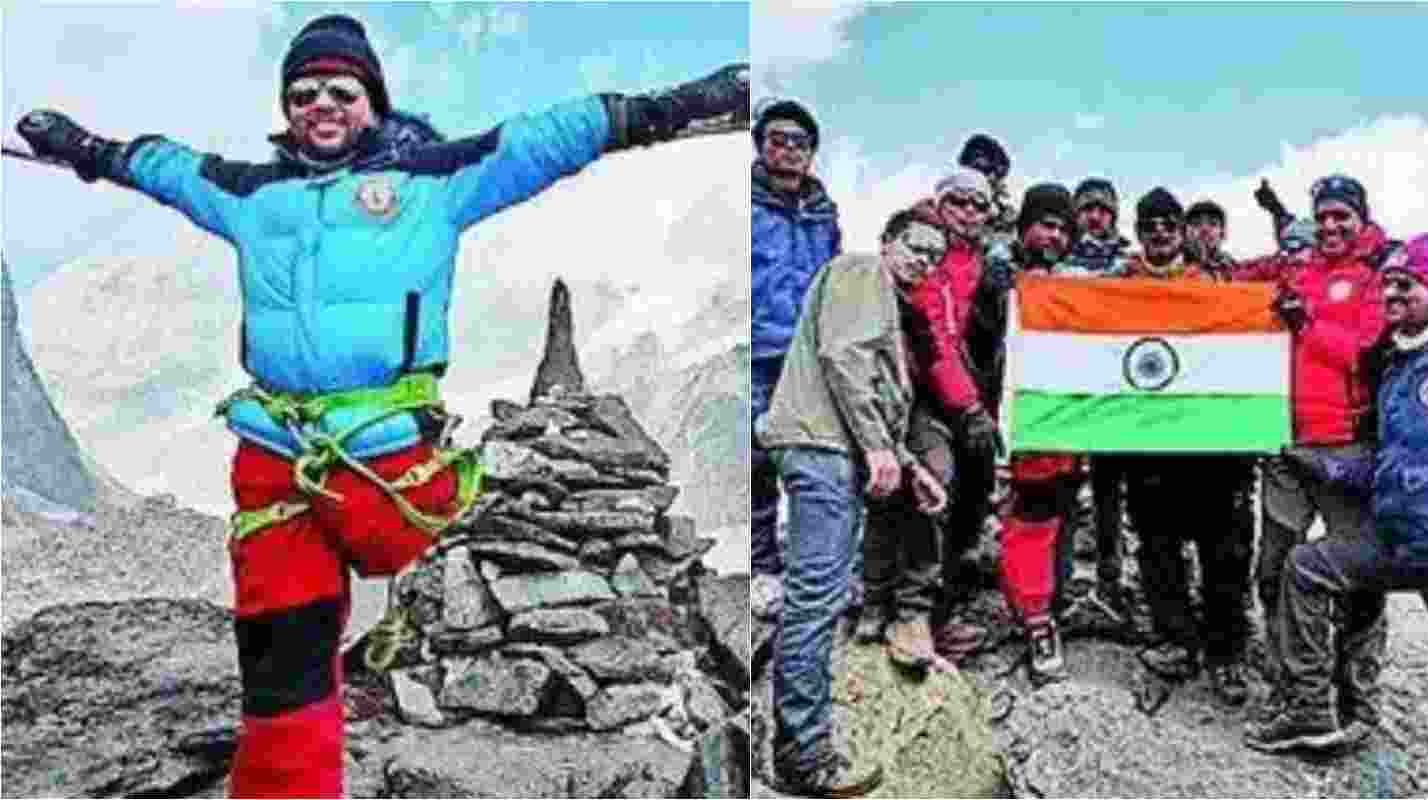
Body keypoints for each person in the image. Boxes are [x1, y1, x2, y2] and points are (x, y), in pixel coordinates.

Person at [14, 14, 747, 798]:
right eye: (302, 93)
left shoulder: (432, 182)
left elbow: (547, 137)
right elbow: (165, 168)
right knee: (280, 664)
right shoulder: (252, 197)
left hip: (383, 455)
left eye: (340, 89)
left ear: (372, 99)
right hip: (276, 461)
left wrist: (677, 105)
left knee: (382, 557)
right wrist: (84, 150)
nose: (320, 104)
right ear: (286, 108)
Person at [1247, 231, 1428, 762]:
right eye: (1387, 285)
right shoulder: (1395, 366)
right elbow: (1390, 461)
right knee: (1307, 567)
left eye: (1408, 283)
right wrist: (1317, 461)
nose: (1393, 293)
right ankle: (1310, 713)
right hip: (1400, 544)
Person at [760, 209, 950, 797]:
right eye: (916, 246)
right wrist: (877, 449)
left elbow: (870, 390)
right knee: (816, 597)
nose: (924, 259)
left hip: (826, 448)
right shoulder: (863, 272)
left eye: (935, 256)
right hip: (820, 449)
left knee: (819, 594)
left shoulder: (882, 303)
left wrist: (909, 465)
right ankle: (803, 755)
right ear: (888, 242)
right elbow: (843, 358)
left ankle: (796, 741)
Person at [1247, 175, 1391, 739]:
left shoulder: (1379, 275)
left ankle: (1359, 701)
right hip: (1285, 446)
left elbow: (1367, 354)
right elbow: (1243, 287)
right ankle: (1300, 699)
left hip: (1347, 449)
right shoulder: (1298, 270)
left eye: (1341, 217)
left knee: (1354, 576)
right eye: (1323, 216)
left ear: (1361, 218)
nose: (1331, 226)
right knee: (1274, 570)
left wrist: (1307, 322)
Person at [1118, 188, 1256, 705]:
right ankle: (1175, 638)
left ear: (1180, 232)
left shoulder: (1218, 286)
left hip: (1213, 448)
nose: (1159, 232)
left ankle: (1227, 652)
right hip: (1147, 445)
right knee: (1158, 549)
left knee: (1225, 552)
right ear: (1139, 231)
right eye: (1149, 224)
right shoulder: (1117, 287)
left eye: (1168, 224)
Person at [970, 183, 1084, 682]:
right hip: (1014, 424)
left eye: (1063, 228)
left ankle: (1045, 604)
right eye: (1046, 224)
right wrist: (995, 295)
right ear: (1024, 227)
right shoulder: (993, 277)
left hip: (1069, 427)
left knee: (1059, 518)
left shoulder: (1077, 286)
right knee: (1030, 522)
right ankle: (1037, 620)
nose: (1053, 235)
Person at [892, 168, 1006, 664]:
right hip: (927, 397)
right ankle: (910, 614)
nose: (967, 212)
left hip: (972, 400)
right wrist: (969, 407)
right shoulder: (927, 253)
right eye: (957, 201)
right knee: (935, 484)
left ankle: (946, 613)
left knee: (973, 501)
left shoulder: (985, 261)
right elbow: (935, 341)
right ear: (940, 204)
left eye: (978, 205)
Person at [750, 97, 842, 620]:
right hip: (758, 350)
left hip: (808, 354)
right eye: (778, 139)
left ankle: (814, 568)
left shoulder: (823, 213)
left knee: (811, 455)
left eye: (800, 143)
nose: (789, 150)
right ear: (762, 146)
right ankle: (764, 567)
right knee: (757, 458)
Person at [1054, 177, 1132, 631]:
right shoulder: (1059, 262)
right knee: (1061, 491)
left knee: (1109, 495)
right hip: (1067, 396)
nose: (1095, 217)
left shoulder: (1130, 261)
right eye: (1087, 209)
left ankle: (1110, 581)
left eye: (1103, 209)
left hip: (1116, 399)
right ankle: (1060, 585)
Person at [1184, 199, 1236, 276]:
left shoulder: (1233, 268)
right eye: (1196, 224)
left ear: (1223, 233)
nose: (1205, 229)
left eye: (1213, 224)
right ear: (1186, 232)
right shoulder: (1175, 267)